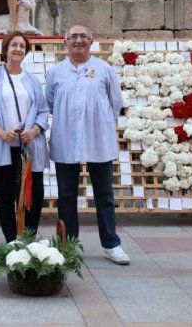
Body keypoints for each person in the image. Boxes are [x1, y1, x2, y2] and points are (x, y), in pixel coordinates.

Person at [45, 24, 130, 265]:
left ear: (91, 41)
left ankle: (111, 244)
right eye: (73, 37)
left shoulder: (104, 69)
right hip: (66, 138)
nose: (78, 40)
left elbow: (115, 103)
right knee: (66, 196)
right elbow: (50, 104)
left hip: (98, 139)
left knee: (103, 194)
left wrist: (96, 119)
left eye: (83, 36)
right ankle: (68, 245)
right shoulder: (56, 73)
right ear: (65, 43)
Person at [0, 31, 49, 242]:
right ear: (6, 49)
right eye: (14, 45)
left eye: (22, 46)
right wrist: (2, 133)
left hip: (29, 146)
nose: (18, 49)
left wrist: (34, 130)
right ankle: (12, 242)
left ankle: (29, 239)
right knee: (6, 195)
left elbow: (43, 111)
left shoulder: (33, 80)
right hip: (3, 145)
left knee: (33, 195)